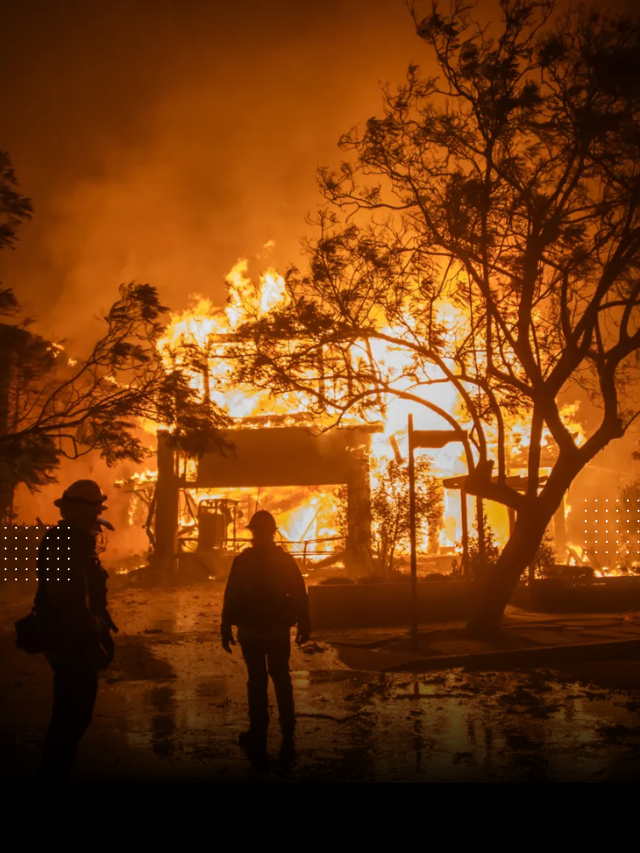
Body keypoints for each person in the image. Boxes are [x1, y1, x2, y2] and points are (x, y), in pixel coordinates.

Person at [35, 479, 118, 782]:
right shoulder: (67, 541)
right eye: (95, 509)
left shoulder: (72, 539)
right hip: (69, 640)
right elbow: (66, 596)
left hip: (70, 637)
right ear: (82, 511)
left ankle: (57, 768)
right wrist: (87, 639)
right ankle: (54, 772)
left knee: (73, 714)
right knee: (72, 715)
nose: (98, 516)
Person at [221, 510, 311, 753]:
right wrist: (304, 621)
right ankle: (287, 730)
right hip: (274, 629)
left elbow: (231, 596)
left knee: (258, 680)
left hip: (253, 630)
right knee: (280, 677)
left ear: (254, 533)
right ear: (273, 533)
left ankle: (259, 730)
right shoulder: (283, 560)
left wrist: (225, 626)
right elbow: (299, 593)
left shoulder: (243, 561)